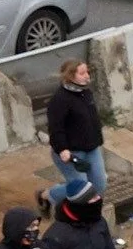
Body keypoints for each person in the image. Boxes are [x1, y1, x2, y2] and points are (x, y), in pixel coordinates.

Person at [43, 58, 105, 205]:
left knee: (99, 185)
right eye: (82, 73)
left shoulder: (86, 93)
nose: (87, 76)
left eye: (87, 72)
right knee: (81, 189)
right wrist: (62, 149)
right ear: (71, 76)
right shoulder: (60, 100)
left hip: (91, 148)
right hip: (71, 152)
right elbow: (55, 127)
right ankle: (48, 195)